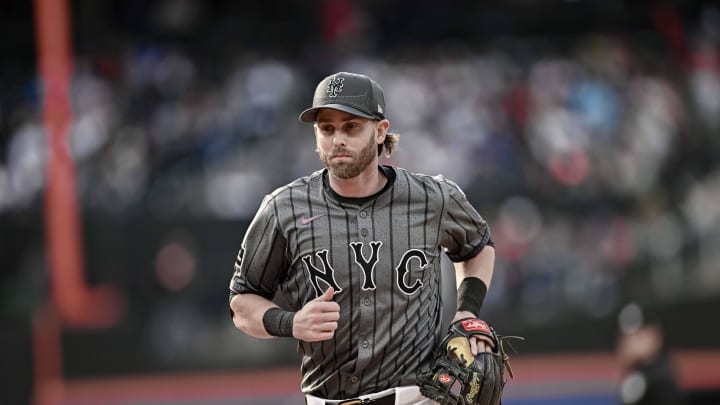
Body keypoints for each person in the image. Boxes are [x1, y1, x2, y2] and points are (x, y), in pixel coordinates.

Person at [228, 72, 497, 405]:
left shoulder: (433, 198)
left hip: (418, 398)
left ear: (381, 130)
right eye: (327, 129)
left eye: (351, 126)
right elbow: (242, 303)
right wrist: (290, 321)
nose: (337, 138)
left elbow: (477, 246)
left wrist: (467, 311)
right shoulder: (283, 209)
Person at [616, 302, 686, 405]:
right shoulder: (635, 374)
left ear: (655, 336)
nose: (629, 343)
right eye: (625, 337)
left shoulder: (660, 379)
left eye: (638, 336)